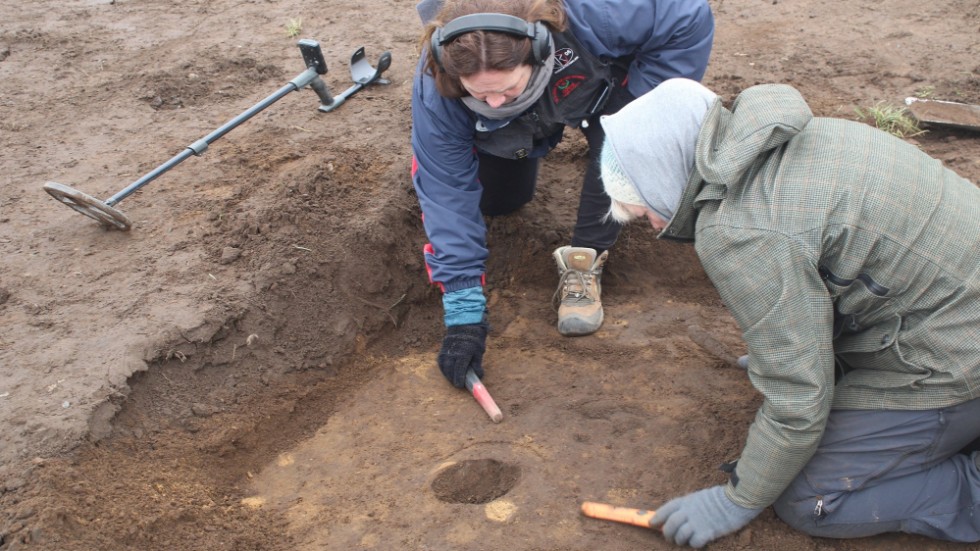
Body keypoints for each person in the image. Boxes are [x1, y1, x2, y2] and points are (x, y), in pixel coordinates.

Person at [597, 77, 980, 548]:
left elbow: (799, 398)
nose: (654, 226)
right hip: (951, 306)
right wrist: (784, 354)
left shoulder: (742, 230)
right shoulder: (795, 137)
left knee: (812, 499)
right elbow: (849, 271)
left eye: (646, 210)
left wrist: (736, 500)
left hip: (957, 355)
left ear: (665, 172)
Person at [410, 0, 715, 389]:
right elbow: (445, 186)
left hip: (598, 77)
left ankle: (586, 258)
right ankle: (525, 134)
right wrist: (463, 314)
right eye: (480, 93)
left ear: (537, 52)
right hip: (514, 116)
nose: (494, 101)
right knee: (498, 200)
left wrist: (640, 109)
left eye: (505, 88)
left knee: (622, 146)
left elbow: (685, 13)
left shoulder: (600, 14)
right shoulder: (438, 82)